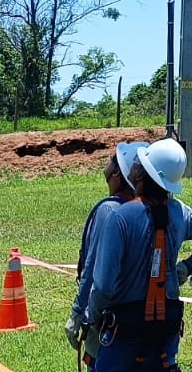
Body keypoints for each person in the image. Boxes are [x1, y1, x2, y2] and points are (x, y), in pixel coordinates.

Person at [84, 138, 192, 372]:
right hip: (166, 327)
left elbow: (103, 286)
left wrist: (93, 319)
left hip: (124, 329)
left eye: (138, 163)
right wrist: (187, 267)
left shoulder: (119, 217)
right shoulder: (180, 212)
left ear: (141, 174)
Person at [68, 142, 145, 360]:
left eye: (112, 159)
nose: (108, 163)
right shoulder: (145, 208)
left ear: (117, 172)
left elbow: (92, 269)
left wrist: (78, 312)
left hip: (108, 318)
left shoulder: (109, 210)